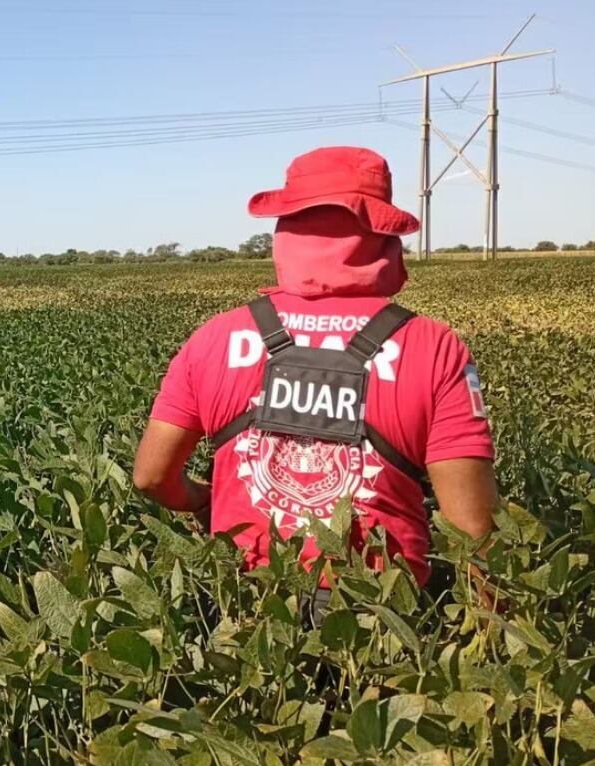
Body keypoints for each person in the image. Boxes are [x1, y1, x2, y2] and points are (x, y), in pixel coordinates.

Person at [132, 147, 497, 616]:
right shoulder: (432, 346)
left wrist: (204, 501)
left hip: (250, 607)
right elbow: (474, 530)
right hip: (381, 615)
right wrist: (498, 645)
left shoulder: (215, 337)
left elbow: (151, 476)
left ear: (287, 228)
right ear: (382, 233)